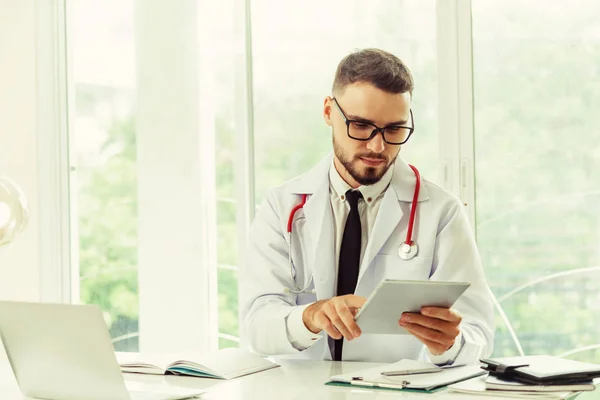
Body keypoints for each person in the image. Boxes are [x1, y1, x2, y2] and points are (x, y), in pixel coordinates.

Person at [239, 48, 494, 364]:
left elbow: (478, 333)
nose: (378, 146)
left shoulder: (441, 212)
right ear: (329, 112)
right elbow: (256, 326)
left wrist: (449, 344)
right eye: (360, 126)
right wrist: (310, 317)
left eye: (394, 129)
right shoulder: (282, 207)